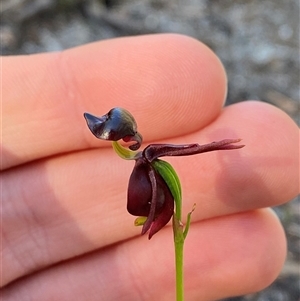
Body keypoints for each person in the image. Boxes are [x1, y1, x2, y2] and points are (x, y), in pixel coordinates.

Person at [2, 34, 299, 301]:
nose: (127, 144)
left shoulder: (148, 158)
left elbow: (191, 150)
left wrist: (216, 146)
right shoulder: (146, 160)